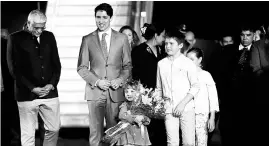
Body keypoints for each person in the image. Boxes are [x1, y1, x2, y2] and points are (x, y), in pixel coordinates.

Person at [77, 3, 132, 146]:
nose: (100, 21)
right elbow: (82, 68)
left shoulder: (122, 38)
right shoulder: (87, 39)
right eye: (98, 17)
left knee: (115, 133)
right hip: (95, 92)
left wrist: (120, 80)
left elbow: (128, 66)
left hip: (115, 92)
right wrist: (96, 81)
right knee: (95, 133)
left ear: (110, 18)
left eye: (104, 17)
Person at [6, 10, 62, 146]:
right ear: (28, 23)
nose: (40, 31)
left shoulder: (49, 36)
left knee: (54, 129)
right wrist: (32, 88)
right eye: (36, 27)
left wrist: (51, 84)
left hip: (50, 93)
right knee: (28, 136)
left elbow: (56, 64)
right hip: (26, 95)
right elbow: (14, 69)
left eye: (43, 27)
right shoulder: (15, 38)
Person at [154, 28, 200, 146]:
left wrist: (182, 104)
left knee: (189, 143)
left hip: (187, 108)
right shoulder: (161, 64)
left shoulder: (188, 63)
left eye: (171, 44)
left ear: (180, 45)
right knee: (172, 142)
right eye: (166, 43)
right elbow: (159, 88)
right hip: (168, 109)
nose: (168, 46)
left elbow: (195, 86)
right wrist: (159, 104)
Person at [131, 23, 166, 146]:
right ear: (156, 35)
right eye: (162, 36)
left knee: (160, 131)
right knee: (146, 130)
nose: (164, 39)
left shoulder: (162, 51)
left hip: (159, 97)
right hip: (144, 97)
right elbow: (134, 75)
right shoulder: (139, 51)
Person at [186, 48, 220, 146]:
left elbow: (213, 97)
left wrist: (212, 118)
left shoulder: (206, 75)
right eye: (187, 59)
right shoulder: (184, 75)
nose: (188, 62)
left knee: (201, 142)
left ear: (199, 59)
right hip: (187, 114)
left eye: (192, 59)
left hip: (201, 115)